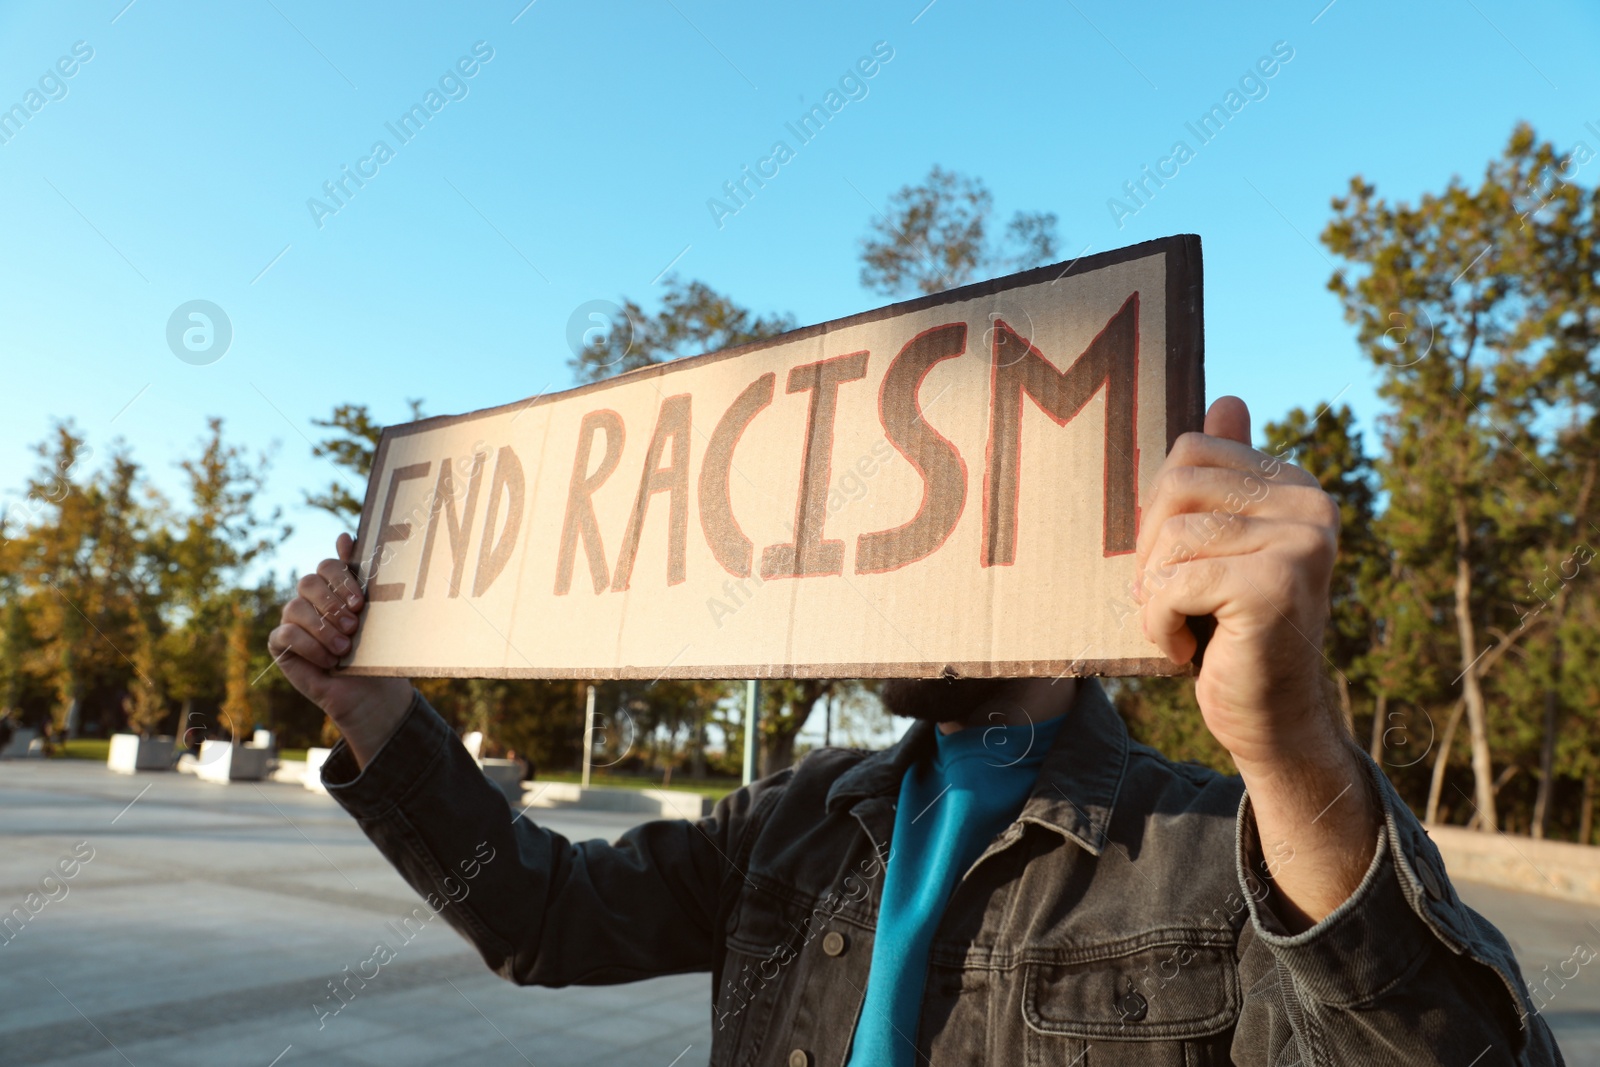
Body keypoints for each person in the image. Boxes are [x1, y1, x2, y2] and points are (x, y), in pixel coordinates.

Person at [270, 397, 1564, 1065]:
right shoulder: (793, 819)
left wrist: (1288, 750)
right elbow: (545, 917)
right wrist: (377, 711)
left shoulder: (1217, 850)